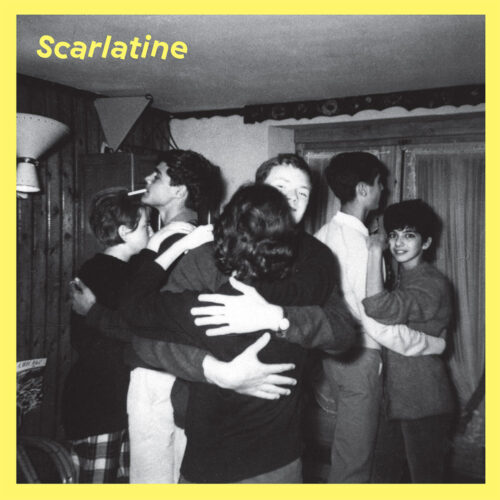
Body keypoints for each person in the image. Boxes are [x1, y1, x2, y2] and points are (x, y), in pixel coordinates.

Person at [73, 155, 359, 482]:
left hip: (270, 449)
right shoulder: (204, 257)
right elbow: (144, 340)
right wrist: (214, 370)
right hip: (208, 434)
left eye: (302, 192)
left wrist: (277, 317)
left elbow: (343, 333)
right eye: (281, 188)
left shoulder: (317, 260)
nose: (291, 199)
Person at [192, 152, 448, 484]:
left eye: (301, 192)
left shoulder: (322, 236)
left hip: (324, 354)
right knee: (356, 454)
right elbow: (372, 316)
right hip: (360, 353)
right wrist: (433, 344)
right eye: (379, 184)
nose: (383, 190)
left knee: (350, 446)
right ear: (363, 189)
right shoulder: (360, 244)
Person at [362, 199, 455, 483]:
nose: (398, 242)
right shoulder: (403, 278)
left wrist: (374, 251)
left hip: (424, 401)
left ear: (426, 242)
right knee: (386, 477)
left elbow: (377, 306)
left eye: (409, 235)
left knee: (425, 481)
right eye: (393, 235)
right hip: (398, 399)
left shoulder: (431, 282)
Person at [62, 188, 150, 483]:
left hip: (114, 401)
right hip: (98, 402)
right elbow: (88, 341)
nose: (151, 231)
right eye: (146, 225)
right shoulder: (102, 272)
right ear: (125, 232)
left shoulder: (123, 269)